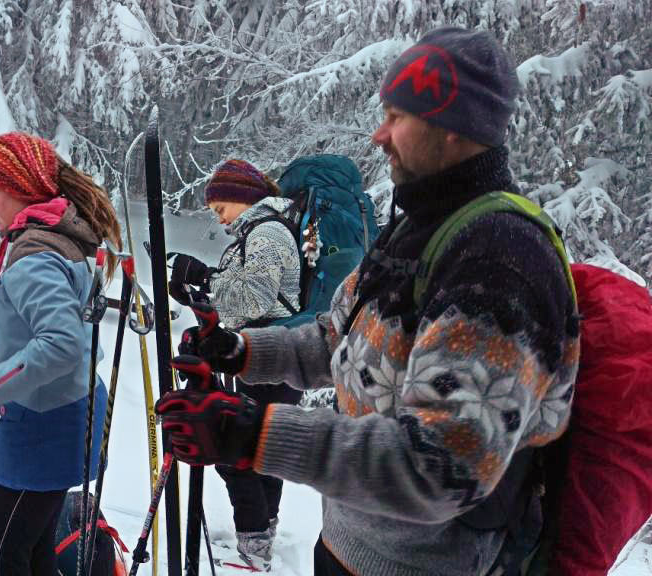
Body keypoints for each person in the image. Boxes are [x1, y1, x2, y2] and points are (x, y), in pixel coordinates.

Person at [156, 27, 580, 576]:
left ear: (456, 127)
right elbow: (337, 340)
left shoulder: (499, 259)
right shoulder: (415, 232)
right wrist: (239, 349)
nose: (379, 136)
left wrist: (252, 432)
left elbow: (438, 464)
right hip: (348, 545)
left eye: (397, 117)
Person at [0, 131, 120, 575]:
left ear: (21, 190)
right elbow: (58, 325)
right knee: (35, 545)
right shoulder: (59, 235)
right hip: (65, 412)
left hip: (45, 424)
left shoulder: (34, 254)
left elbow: (61, 344)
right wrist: (0, 340)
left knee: (4, 554)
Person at [167, 159, 302, 570]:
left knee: (237, 452)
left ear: (242, 198)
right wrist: (205, 285)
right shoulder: (259, 233)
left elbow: (256, 299)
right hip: (273, 357)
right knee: (262, 451)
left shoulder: (269, 233)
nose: (220, 220)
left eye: (220, 209)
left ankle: (254, 548)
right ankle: (260, 539)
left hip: (271, 357)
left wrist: (206, 279)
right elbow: (249, 291)